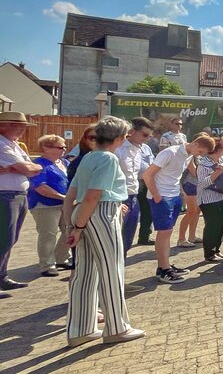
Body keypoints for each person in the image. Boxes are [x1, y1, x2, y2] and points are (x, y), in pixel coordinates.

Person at [63, 116, 144, 347]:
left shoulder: (89, 157)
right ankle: (117, 327)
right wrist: (77, 227)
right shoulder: (109, 159)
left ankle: (80, 329)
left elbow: (73, 194)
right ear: (118, 138)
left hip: (82, 213)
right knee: (111, 270)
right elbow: (93, 195)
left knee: (84, 273)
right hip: (101, 214)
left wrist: (72, 225)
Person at [142, 134, 216, 284]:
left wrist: (181, 192)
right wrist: (156, 194)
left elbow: (182, 174)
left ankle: (166, 265)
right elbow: (147, 174)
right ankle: (163, 270)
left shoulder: (188, 155)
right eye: (200, 151)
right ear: (195, 144)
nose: (200, 155)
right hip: (162, 196)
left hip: (174, 194)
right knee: (164, 232)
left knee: (168, 232)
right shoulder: (170, 152)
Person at [0, 111, 40, 299]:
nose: (23, 130)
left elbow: (36, 168)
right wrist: (21, 168)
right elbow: (27, 168)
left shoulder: (13, 145)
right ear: (4, 126)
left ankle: (3, 276)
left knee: (11, 238)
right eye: (19, 126)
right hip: (5, 195)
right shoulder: (1, 144)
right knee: (4, 238)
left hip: (18, 194)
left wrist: (13, 168)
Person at [30, 135, 72, 277]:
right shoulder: (39, 164)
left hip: (64, 204)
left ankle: (61, 258)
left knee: (69, 230)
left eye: (65, 146)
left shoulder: (64, 163)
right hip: (45, 205)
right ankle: (47, 265)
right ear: (46, 148)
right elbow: (40, 187)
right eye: (60, 147)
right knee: (48, 235)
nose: (64, 149)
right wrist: (63, 197)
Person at [115, 118, 154, 254]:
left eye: (149, 135)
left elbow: (143, 173)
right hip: (117, 198)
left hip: (134, 196)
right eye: (144, 135)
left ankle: (119, 268)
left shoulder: (140, 149)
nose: (147, 138)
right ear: (132, 132)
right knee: (115, 238)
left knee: (127, 239)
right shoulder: (117, 149)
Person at [196, 140, 223, 263]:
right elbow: (202, 184)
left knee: (221, 226)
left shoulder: (222, 159)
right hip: (210, 201)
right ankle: (209, 254)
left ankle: (216, 250)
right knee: (212, 227)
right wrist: (216, 174)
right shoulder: (203, 164)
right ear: (217, 150)